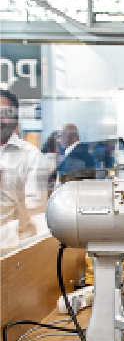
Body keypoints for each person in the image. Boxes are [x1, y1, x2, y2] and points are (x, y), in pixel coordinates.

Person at [0, 89, 48, 250]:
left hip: (11, 248)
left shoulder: (31, 156)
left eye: (5, 113)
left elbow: (37, 210)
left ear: (15, 120)